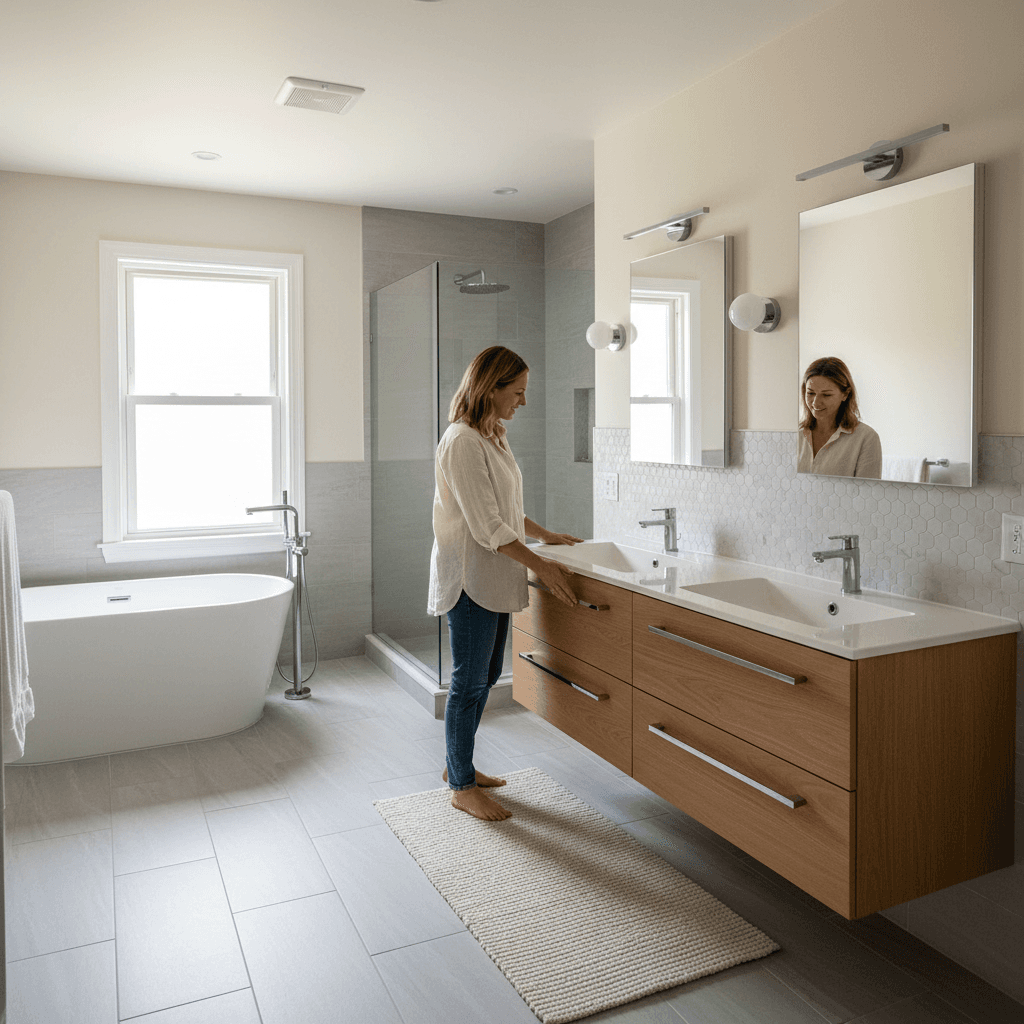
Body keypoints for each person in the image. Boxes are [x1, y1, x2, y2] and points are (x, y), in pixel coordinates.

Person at [428, 346, 582, 821]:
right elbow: (487, 528)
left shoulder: (492, 434)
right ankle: (461, 786)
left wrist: (545, 534)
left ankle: (461, 768)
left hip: (493, 575)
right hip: (471, 578)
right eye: (516, 392)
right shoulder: (462, 441)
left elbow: (506, 511)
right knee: (468, 683)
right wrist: (544, 564)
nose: (522, 402)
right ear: (489, 388)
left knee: (486, 677)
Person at [797, 356, 882, 478]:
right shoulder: (794, 434)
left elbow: (867, 494)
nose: (815, 403)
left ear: (845, 395)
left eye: (826, 395)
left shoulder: (866, 438)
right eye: (810, 393)